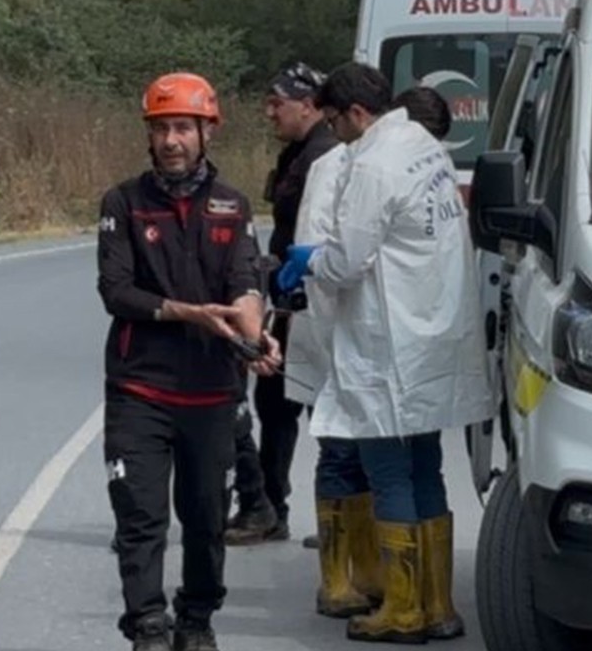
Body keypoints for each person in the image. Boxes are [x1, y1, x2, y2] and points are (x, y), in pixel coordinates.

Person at [278, 64, 494, 644]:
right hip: (429, 335)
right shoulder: (423, 147)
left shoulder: (373, 163)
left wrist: (308, 263)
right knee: (427, 466)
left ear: (354, 113)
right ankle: (436, 604)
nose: (333, 131)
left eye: (334, 119)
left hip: (387, 343)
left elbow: (347, 263)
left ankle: (401, 610)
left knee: (388, 469)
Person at [98, 71, 282, 651]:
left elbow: (245, 285)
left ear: (207, 132)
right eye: (161, 129)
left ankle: (197, 620)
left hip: (211, 393)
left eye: (183, 128)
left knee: (205, 523)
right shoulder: (123, 203)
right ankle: (148, 625)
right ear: (148, 137)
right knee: (141, 519)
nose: (171, 140)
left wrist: (257, 339)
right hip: (140, 390)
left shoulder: (233, 205)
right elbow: (116, 292)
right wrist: (187, 313)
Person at [225, 62, 338, 546]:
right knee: (279, 401)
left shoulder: (326, 158)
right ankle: (273, 505)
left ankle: (323, 514)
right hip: (292, 299)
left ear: (309, 105)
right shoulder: (299, 154)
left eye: (279, 103)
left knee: (316, 407)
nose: (269, 112)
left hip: (313, 299)